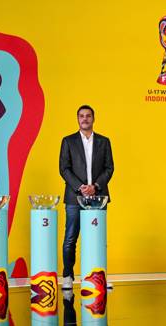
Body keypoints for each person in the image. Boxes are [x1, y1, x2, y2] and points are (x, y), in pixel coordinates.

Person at [59, 105, 114, 290]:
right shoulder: (68, 141)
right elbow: (64, 168)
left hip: (98, 198)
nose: (85, 119)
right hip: (75, 198)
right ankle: (67, 276)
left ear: (93, 118)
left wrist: (95, 186)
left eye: (88, 116)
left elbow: (109, 168)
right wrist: (80, 187)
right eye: (81, 116)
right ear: (77, 119)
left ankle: (99, 277)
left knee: (98, 239)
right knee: (70, 238)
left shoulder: (104, 142)